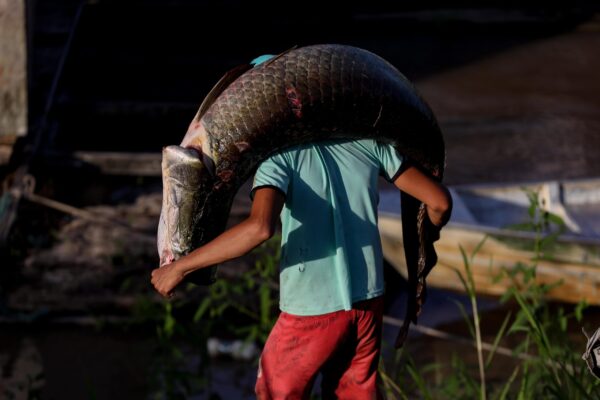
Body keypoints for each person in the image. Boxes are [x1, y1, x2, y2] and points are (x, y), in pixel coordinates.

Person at [151, 136, 451, 399]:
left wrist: (180, 268)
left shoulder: (280, 158)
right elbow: (439, 203)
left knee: (275, 391)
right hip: (368, 304)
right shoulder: (369, 145)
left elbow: (259, 228)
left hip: (312, 311)